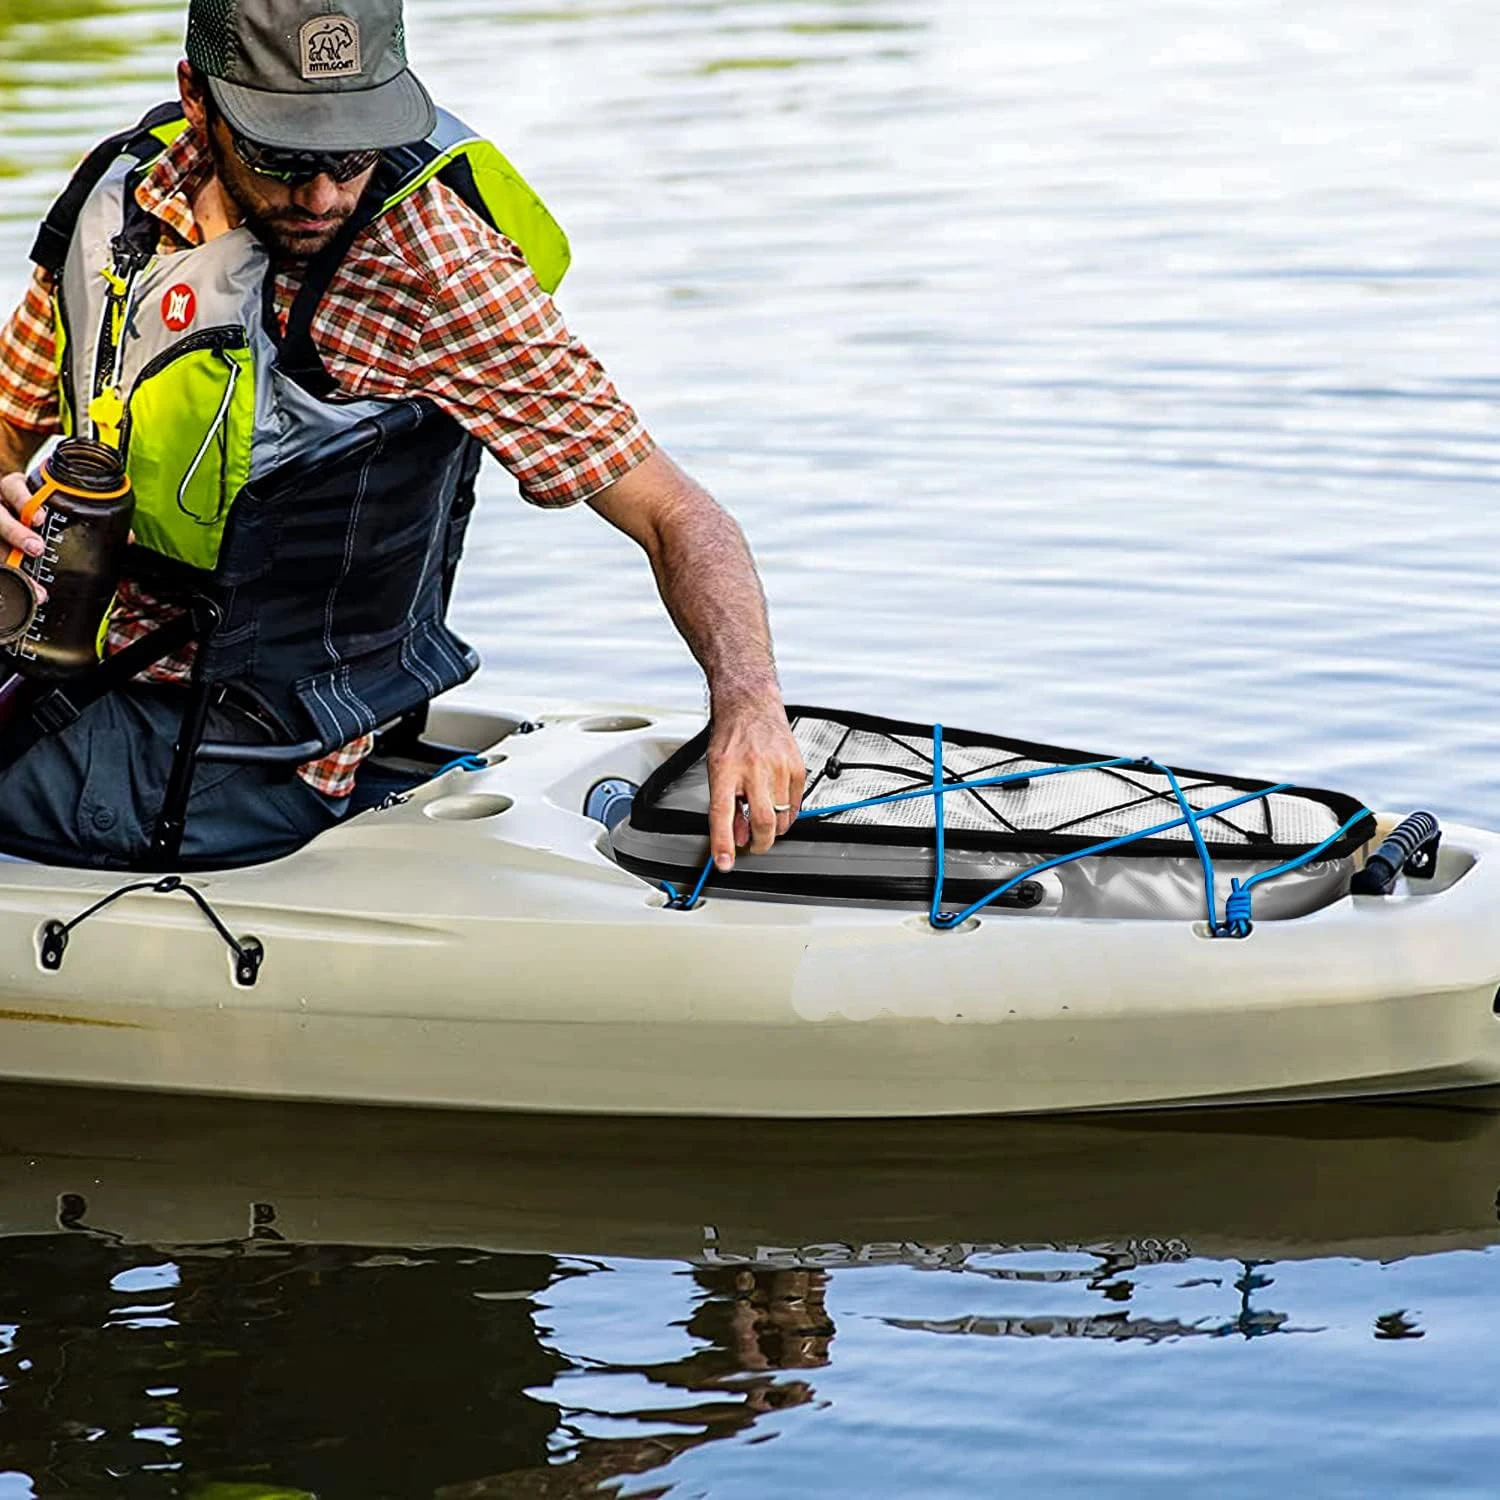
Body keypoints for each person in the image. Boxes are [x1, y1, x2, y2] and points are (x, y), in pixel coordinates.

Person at [0, 0, 804, 871]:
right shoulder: (124, 199)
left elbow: (673, 513)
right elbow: (9, 425)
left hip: (237, 759)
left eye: (352, 153)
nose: (323, 196)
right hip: (83, 671)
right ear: (199, 97)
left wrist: (751, 703)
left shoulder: (437, 272)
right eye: (284, 155)